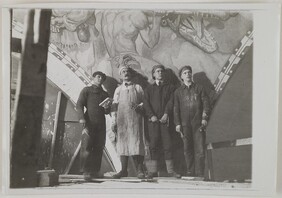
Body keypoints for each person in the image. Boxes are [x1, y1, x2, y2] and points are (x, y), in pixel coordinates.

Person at [101, 10, 164, 81]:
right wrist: (157, 18)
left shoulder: (106, 14)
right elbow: (151, 42)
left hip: (115, 63)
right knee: (163, 73)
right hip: (130, 58)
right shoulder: (136, 14)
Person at [143, 65, 181, 179]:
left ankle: (171, 171)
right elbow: (146, 103)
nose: (160, 73)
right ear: (153, 74)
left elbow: (171, 102)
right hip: (153, 122)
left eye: (161, 71)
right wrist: (152, 115)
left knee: (168, 145)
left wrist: (166, 114)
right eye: (157, 71)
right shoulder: (148, 89)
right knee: (153, 146)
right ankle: (152, 171)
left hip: (166, 121)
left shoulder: (170, 88)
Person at [174, 66, 210, 178]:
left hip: (198, 123)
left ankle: (200, 172)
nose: (188, 74)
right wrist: (178, 124)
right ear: (181, 77)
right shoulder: (178, 92)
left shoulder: (199, 88)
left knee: (200, 149)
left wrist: (204, 118)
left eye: (189, 72)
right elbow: (176, 109)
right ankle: (190, 171)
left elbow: (206, 104)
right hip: (185, 125)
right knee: (187, 149)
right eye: (185, 73)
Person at [111, 65, 145, 179]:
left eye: (127, 71)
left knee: (136, 143)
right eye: (123, 72)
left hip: (135, 120)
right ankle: (123, 170)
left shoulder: (138, 88)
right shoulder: (118, 89)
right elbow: (114, 106)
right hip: (122, 121)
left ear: (130, 74)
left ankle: (140, 170)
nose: (126, 73)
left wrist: (139, 106)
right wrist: (113, 121)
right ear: (120, 75)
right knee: (123, 144)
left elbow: (145, 102)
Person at [76, 71, 111, 180]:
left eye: (102, 78)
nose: (100, 79)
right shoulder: (87, 90)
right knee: (87, 146)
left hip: (100, 123)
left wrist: (107, 108)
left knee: (98, 146)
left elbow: (106, 112)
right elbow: (79, 104)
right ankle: (86, 172)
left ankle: (95, 171)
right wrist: (81, 118)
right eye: (98, 77)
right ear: (94, 78)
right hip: (89, 122)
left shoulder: (105, 94)